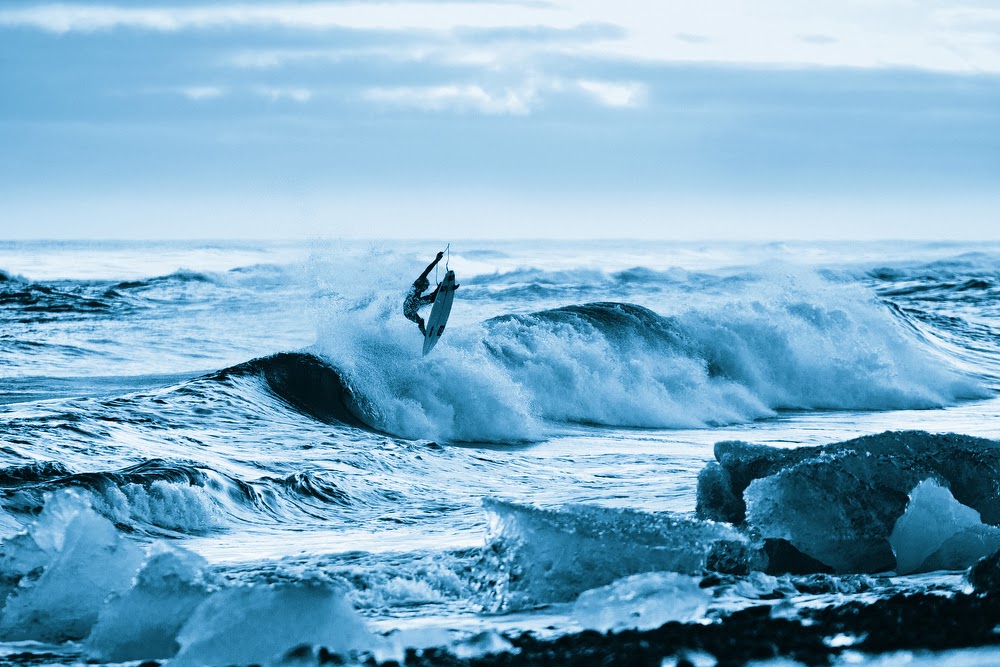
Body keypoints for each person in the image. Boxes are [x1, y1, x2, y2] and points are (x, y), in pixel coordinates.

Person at [403, 251, 445, 335]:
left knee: (432, 298)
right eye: (425, 287)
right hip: (408, 310)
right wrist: (436, 260)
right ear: (422, 284)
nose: (425, 289)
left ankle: (442, 286)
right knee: (421, 321)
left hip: (416, 304)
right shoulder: (416, 285)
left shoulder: (418, 290)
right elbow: (427, 270)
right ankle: (425, 334)